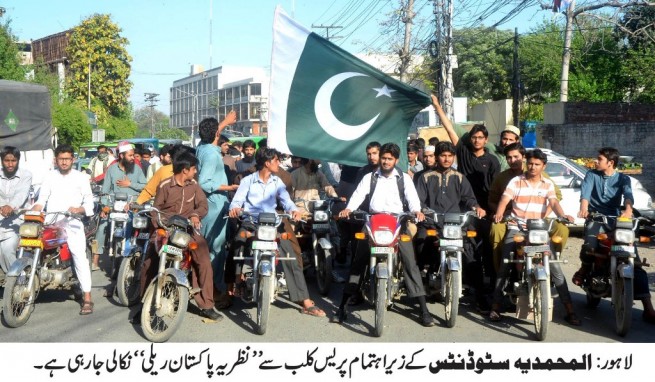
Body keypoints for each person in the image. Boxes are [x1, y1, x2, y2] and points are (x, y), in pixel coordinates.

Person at [334, 142, 436, 327]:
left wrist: (416, 211)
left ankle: (423, 310)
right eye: (383, 158)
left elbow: (413, 199)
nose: (386, 161)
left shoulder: (403, 178)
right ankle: (342, 307)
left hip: (397, 223)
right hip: (373, 222)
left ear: (396, 160)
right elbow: (358, 195)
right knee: (358, 262)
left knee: (410, 263)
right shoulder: (370, 177)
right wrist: (349, 208)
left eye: (390, 159)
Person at [227, 147, 326, 317]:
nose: (279, 163)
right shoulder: (248, 181)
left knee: (291, 254)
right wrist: (235, 208)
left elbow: (287, 202)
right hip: (252, 221)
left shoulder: (277, 182)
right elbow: (237, 200)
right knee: (237, 243)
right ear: (267, 163)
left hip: (273, 223)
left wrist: (294, 210)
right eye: (276, 160)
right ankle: (236, 281)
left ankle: (305, 301)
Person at [490, 149, 580, 325]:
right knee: (504, 265)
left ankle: (569, 309)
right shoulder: (516, 181)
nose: (532, 167)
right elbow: (505, 198)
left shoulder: (547, 184)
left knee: (556, 269)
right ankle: (495, 306)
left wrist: (562, 215)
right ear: (526, 163)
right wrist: (500, 214)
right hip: (517, 228)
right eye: (530, 163)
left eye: (537, 164)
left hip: (539, 230)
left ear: (543, 166)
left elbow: (553, 202)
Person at [136, 151, 223, 322]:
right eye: (193, 169)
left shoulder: (195, 186)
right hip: (165, 228)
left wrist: (196, 215)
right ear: (185, 170)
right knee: (149, 262)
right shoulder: (165, 185)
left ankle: (206, 305)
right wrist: (159, 227)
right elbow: (156, 210)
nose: (195, 172)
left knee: (204, 261)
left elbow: (203, 205)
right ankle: (143, 305)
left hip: (187, 230)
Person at [573, 147, 655, 323]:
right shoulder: (591, 175)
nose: (596, 161)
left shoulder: (623, 178)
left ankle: (648, 308)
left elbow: (628, 195)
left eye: (599, 159)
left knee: (633, 258)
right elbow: (585, 194)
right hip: (596, 216)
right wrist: (584, 208)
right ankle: (585, 269)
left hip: (616, 218)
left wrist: (628, 209)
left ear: (610, 163)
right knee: (590, 245)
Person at [414, 141, 489, 312]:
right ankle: (421, 283)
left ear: (453, 157)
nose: (446, 159)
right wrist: (423, 212)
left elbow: (469, 198)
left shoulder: (460, 177)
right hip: (432, 222)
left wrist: (476, 208)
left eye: (450, 156)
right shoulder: (425, 177)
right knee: (421, 241)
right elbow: (419, 201)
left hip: (455, 224)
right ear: (437, 157)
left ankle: (479, 295)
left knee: (472, 251)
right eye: (443, 155)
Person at [436, 94, 500, 287]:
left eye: (480, 137)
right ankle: (469, 283)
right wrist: (437, 106)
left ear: (486, 140)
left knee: (489, 246)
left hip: (486, 209)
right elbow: (449, 128)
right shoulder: (463, 152)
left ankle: (491, 283)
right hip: (464, 208)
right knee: (467, 245)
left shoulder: (493, 161)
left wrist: (492, 210)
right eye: (474, 137)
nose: (477, 140)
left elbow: (496, 188)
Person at [32, 144, 95, 315]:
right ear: (56, 160)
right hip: (52, 221)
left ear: (73, 160)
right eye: (61, 159)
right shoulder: (50, 177)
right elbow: (42, 199)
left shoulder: (81, 178)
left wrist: (78, 209)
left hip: (73, 223)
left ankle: (87, 297)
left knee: (79, 255)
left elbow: (89, 202)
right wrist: (35, 209)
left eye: (67, 159)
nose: (64, 162)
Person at [488, 143, 569, 273]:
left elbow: (555, 199)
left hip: (538, 219)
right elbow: (494, 200)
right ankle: (501, 272)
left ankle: (551, 263)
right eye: (509, 158)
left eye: (516, 157)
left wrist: (548, 214)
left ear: (523, 157)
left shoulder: (543, 177)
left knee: (562, 229)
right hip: (511, 219)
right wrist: (500, 213)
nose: (513, 161)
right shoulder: (504, 178)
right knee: (496, 229)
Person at [196, 113, 239, 309]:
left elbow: (212, 134)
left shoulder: (203, 147)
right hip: (214, 204)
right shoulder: (213, 154)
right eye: (218, 132)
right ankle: (215, 291)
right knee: (216, 250)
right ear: (215, 135)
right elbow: (204, 182)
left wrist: (225, 122)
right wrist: (228, 188)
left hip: (208, 205)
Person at [92, 141, 147, 273]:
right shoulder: (112, 169)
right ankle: (95, 259)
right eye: (130, 155)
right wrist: (105, 206)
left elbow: (145, 186)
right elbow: (105, 190)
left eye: (133, 155)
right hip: (113, 206)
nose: (133, 157)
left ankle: (136, 255)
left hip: (132, 206)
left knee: (138, 229)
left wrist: (130, 184)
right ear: (121, 155)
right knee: (101, 227)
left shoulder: (137, 169)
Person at [0, 146, 32, 274]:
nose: (10, 164)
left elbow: (21, 195)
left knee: (7, 249)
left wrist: (10, 206)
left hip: (16, 222)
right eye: (6, 161)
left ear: (18, 160)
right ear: (2, 161)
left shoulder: (26, 175)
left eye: (13, 160)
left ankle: (18, 279)